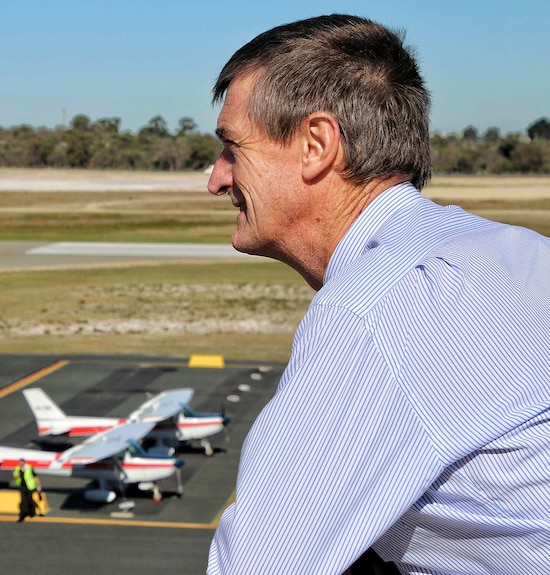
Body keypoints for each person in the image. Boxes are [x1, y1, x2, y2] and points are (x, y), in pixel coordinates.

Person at [205, 14, 550, 575]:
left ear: (317, 145)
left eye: (232, 149)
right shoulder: (518, 252)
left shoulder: (374, 309)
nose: (215, 178)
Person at [13, 458, 42, 522]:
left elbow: (35, 476)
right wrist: (18, 474)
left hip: (30, 486)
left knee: (30, 499)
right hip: (22, 486)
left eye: (21, 462)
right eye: (19, 463)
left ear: (24, 462)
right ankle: (23, 514)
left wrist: (38, 485)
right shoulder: (18, 469)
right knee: (23, 500)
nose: (20, 464)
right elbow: (14, 476)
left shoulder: (29, 468)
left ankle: (32, 512)